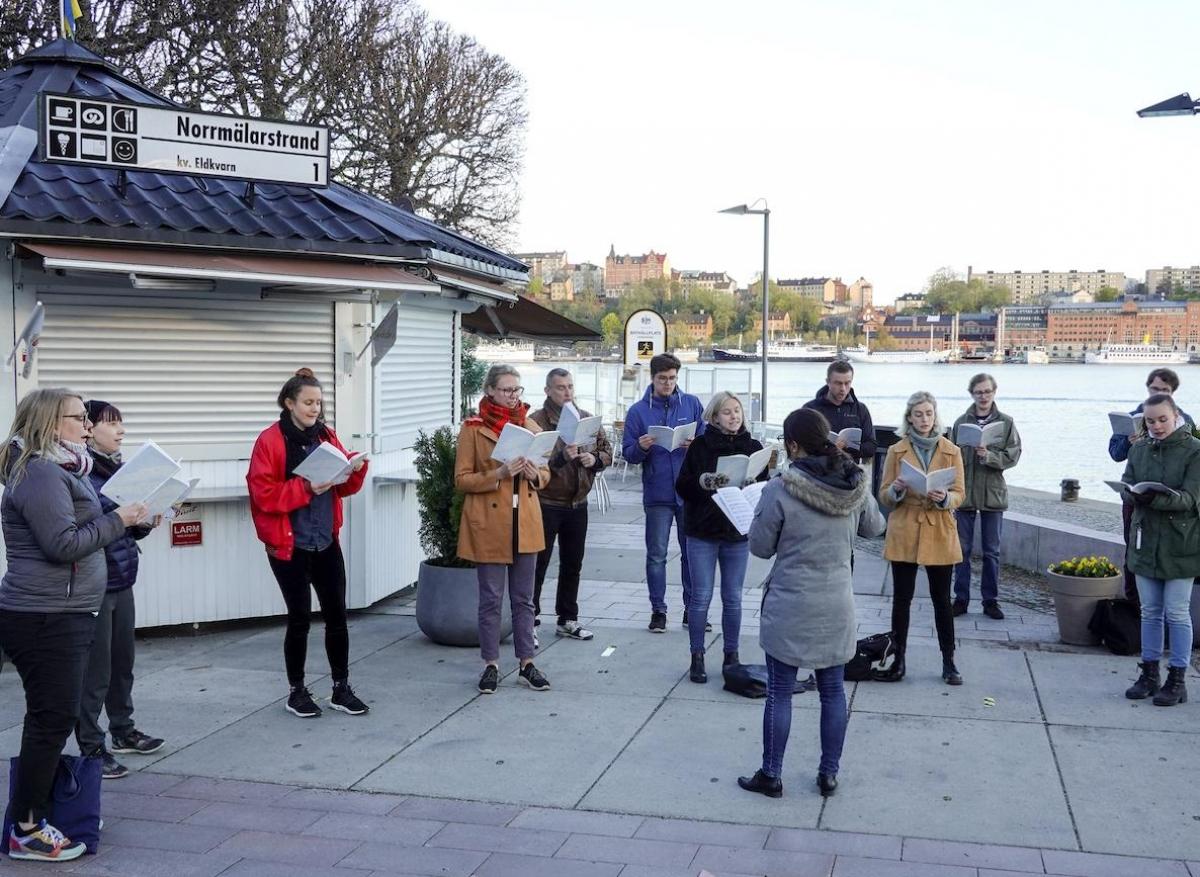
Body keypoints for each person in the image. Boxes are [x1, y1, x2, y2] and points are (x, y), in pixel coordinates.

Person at [0, 389, 147, 862]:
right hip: (44, 616)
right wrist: (118, 520)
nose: (87, 426)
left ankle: (33, 813)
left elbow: (90, 523)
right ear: (49, 422)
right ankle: (26, 828)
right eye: (78, 418)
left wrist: (133, 518)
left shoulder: (64, 469)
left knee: (52, 717)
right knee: (50, 719)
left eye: (87, 418)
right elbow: (62, 545)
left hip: (64, 612)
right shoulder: (40, 473)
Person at [738, 408, 885, 799]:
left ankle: (771, 774)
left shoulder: (780, 488)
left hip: (790, 601)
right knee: (833, 691)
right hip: (837, 601)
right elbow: (875, 527)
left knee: (780, 691)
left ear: (792, 445)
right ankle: (828, 773)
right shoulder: (854, 482)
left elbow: (760, 547)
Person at [247, 368, 370, 719]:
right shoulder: (270, 440)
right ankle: (296, 691)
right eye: (308, 402)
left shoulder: (326, 436)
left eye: (318, 402)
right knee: (299, 618)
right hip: (289, 545)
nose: (315, 409)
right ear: (289, 403)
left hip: (325, 540)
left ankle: (340, 688)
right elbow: (263, 495)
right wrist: (305, 488)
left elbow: (342, 487)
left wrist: (354, 469)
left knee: (337, 615)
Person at [75, 400, 165, 781]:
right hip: (95, 584)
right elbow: (90, 526)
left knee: (122, 663)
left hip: (122, 577)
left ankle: (123, 731)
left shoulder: (121, 468)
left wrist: (147, 519)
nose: (120, 430)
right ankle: (92, 746)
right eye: (112, 424)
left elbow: (125, 527)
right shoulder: (80, 472)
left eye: (121, 423)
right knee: (95, 673)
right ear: (89, 428)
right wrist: (123, 514)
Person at [456, 364, 552, 694]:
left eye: (517, 390)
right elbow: (462, 479)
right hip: (490, 523)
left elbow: (546, 473)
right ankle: (491, 664)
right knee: (491, 600)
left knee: (524, 600)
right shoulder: (472, 429)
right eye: (507, 390)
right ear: (490, 391)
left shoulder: (530, 425)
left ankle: (527, 662)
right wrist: (498, 473)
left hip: (524, 522)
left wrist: (532, 473)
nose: (513, 396)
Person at [674, 391, 765, 683]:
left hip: (736, 532)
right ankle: (697, 655)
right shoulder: (700, 446)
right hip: (702, 531)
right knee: (700, 598)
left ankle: (731, 655)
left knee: (733, 598)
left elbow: (765, 489)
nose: (734, 416)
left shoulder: (753, 446)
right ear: (714, 417)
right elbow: (683, 486)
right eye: (727, 412)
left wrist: (754, 483)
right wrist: (704, 481)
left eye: (737, 411)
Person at [878, 391, 966, 685]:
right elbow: (884, 495)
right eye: (919, 414)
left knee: (942, 599)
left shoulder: (952, 450)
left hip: (939, 527)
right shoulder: (896, 451)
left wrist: (945, 498)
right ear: (909, 418)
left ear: (935, 415)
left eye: (929, 413)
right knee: (901, 600)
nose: (924, 419)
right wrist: (898, 490)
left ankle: (949, 661)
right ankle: (898, 660)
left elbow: (960, 495)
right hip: (905, 525)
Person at [1120, 393, 1199, 708]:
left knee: (1177, 612)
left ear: (1175, 415)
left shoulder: (1194, 450)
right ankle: (1149, 673)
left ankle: (1177, 679)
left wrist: (1157, 499)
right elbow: (1127, 483)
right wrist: (1132, 495)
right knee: (1149, 611)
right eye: (1150, 421)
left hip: (1181, 543)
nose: (1156, 426)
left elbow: (1192, 499)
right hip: (1145, 540)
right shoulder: (1139, 448)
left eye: (1162, 419)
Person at [622, 353, 706, 632]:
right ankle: (658, 610)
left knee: (690, 554)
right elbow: (629, 455)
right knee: (656, 554)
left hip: (688, 492)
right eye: (662, 379)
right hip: (657, 493)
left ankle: (692, 610)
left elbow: (707, 446)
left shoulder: (692, 404)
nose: (668, 383)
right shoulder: (637, 412)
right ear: (653, 378)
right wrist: (642, 446)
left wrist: (696, 446)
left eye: (672, 378)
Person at [530, 368, 612, 643]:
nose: (567, 392)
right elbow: (535, 464)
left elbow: (607, 450)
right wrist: (561, 457)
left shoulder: (586, 418)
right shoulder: (537, 422)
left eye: (570, 386)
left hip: (578, 502)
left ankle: (567, 618)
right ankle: (529, 619)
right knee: (537, 564)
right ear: (548, 391)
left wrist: (596, 459)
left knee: (572, 563)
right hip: (547, 501)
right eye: (560, 387)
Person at [1109, 368, 1193, 607]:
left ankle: (1166, 607)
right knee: (1133, 552)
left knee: (1172, 551)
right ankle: (1135, 607)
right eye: (1155, 389)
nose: (1159, 393)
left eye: (1164, 390)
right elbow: (1115, 454)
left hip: (1172, 498)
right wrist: (1128, 442)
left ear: (1173, 393)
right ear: (1148, 389)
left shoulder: (1185, 419)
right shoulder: (1132, 417)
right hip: (1137, 497)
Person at [950, 374, 1022, 620]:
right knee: (962, 550)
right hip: (965, 493)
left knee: (992, 551)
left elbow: (1013, 455)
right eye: (979, 392)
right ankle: (961, 598)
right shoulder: (961, 422)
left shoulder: (1006, 422)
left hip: (993, 493)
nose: (983, 396)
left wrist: (989, 456)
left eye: (987, 392)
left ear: (994, 392)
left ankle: (990, 600)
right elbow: (950, 457)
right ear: (972, 394)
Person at [803, 360, 877, 466]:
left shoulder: (860, 409)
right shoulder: (810, 409)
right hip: (818, 471)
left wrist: (848, 448)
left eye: (847, 383)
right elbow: (802, 444)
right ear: (828, 382)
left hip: (848, 472)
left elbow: (871, 446)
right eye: (838, 383)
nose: (843, 388)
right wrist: (829, 449)